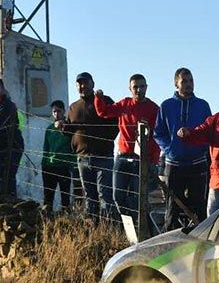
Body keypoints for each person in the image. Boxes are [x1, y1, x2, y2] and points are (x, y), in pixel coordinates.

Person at [153, 67, 212, 230]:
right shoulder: (166, 106)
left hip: (197, 162)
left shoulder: (202, 105)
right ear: (176, 84)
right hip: (174, 164)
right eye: (184, 81)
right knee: (172, 207)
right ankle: (169, 243)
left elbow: (209, 131)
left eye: (191, 81)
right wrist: (170, 149)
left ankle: (201, 242)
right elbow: (158, 132)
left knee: (199, 206)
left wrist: (201, 147)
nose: (188, 84)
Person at [95, 74, 160, 218]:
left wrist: (154, 160)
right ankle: (128, 223)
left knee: (138, 198)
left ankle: (141, 227)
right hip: (123, 156)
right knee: (118, 195)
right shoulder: (124, 104)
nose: (139, 90)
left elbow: (157, 136)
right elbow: (103, 112)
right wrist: (98, 98)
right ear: (130, 89)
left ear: (146, 87)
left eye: (142, 86)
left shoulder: (154, 109)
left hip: (142, 159)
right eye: (135, 87)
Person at [64, 72, 119, 222]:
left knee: (105, 195)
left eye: (85, 82)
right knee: (89, 196)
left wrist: (105, 140)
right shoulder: (73, 107)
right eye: (79, 83)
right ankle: (93, 227)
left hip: (103, 157)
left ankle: (109, 228)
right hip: (82, 158)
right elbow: (69, 130)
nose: (83, 86)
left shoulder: (104, 101)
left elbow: (117, 124)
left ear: (92, 84)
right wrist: (62, 127)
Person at [41, 100, 75, 213]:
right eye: (54, 111)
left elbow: (73, 147)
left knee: (65, 198)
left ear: (64, 111)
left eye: (59, 111)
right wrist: (44, 165)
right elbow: (46, 148)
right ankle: (47, 220)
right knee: (48, 197)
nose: (56, 114)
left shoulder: (69, 127)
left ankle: (66, 221)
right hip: (50, 167)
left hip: (64, 166)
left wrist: (72, 165)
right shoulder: (49, 129)